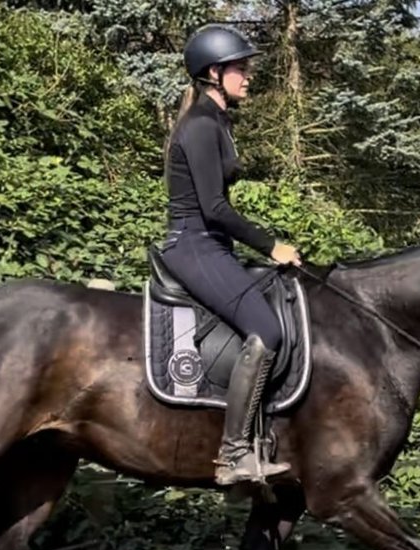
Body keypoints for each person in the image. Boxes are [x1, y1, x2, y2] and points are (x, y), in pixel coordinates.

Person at [160, 24, 303, 485]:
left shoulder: (217, 120)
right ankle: (233, 454)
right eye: (241, 68)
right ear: (214, 72)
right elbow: (214, 208)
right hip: (194, 244)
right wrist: (271, 244)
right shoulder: (201, 125)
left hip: (211, 244)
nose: (248, 76)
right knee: (266, 330)